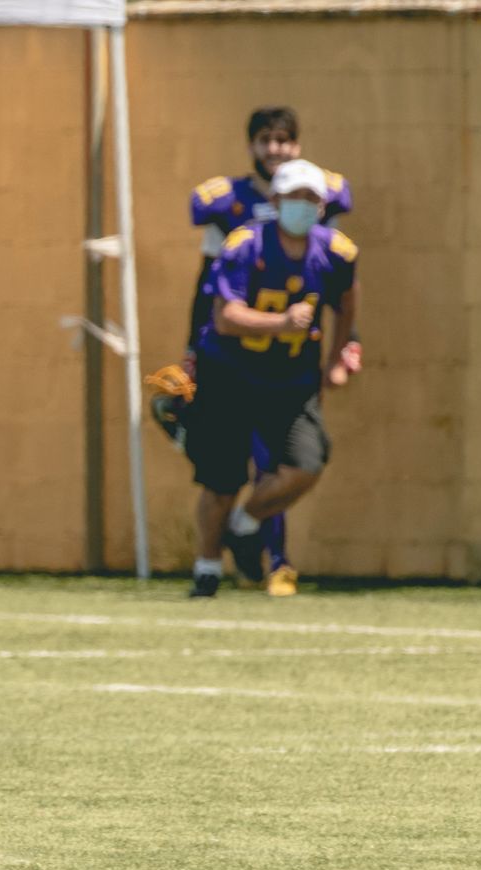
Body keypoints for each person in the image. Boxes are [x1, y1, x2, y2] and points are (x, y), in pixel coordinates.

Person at [158, 106, 359, 595]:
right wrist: (277, 323)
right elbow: (220, 310)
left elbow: (346, 304)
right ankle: (208, 568)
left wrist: (341, 353)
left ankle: (247, 531)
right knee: (223, 476)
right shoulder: (243, 239)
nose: (304, 205)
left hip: (290, 376)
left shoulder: (334, 249)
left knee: (302, 463)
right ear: (275, 197)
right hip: (231, 369)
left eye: (312, 198)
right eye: (265, 139)